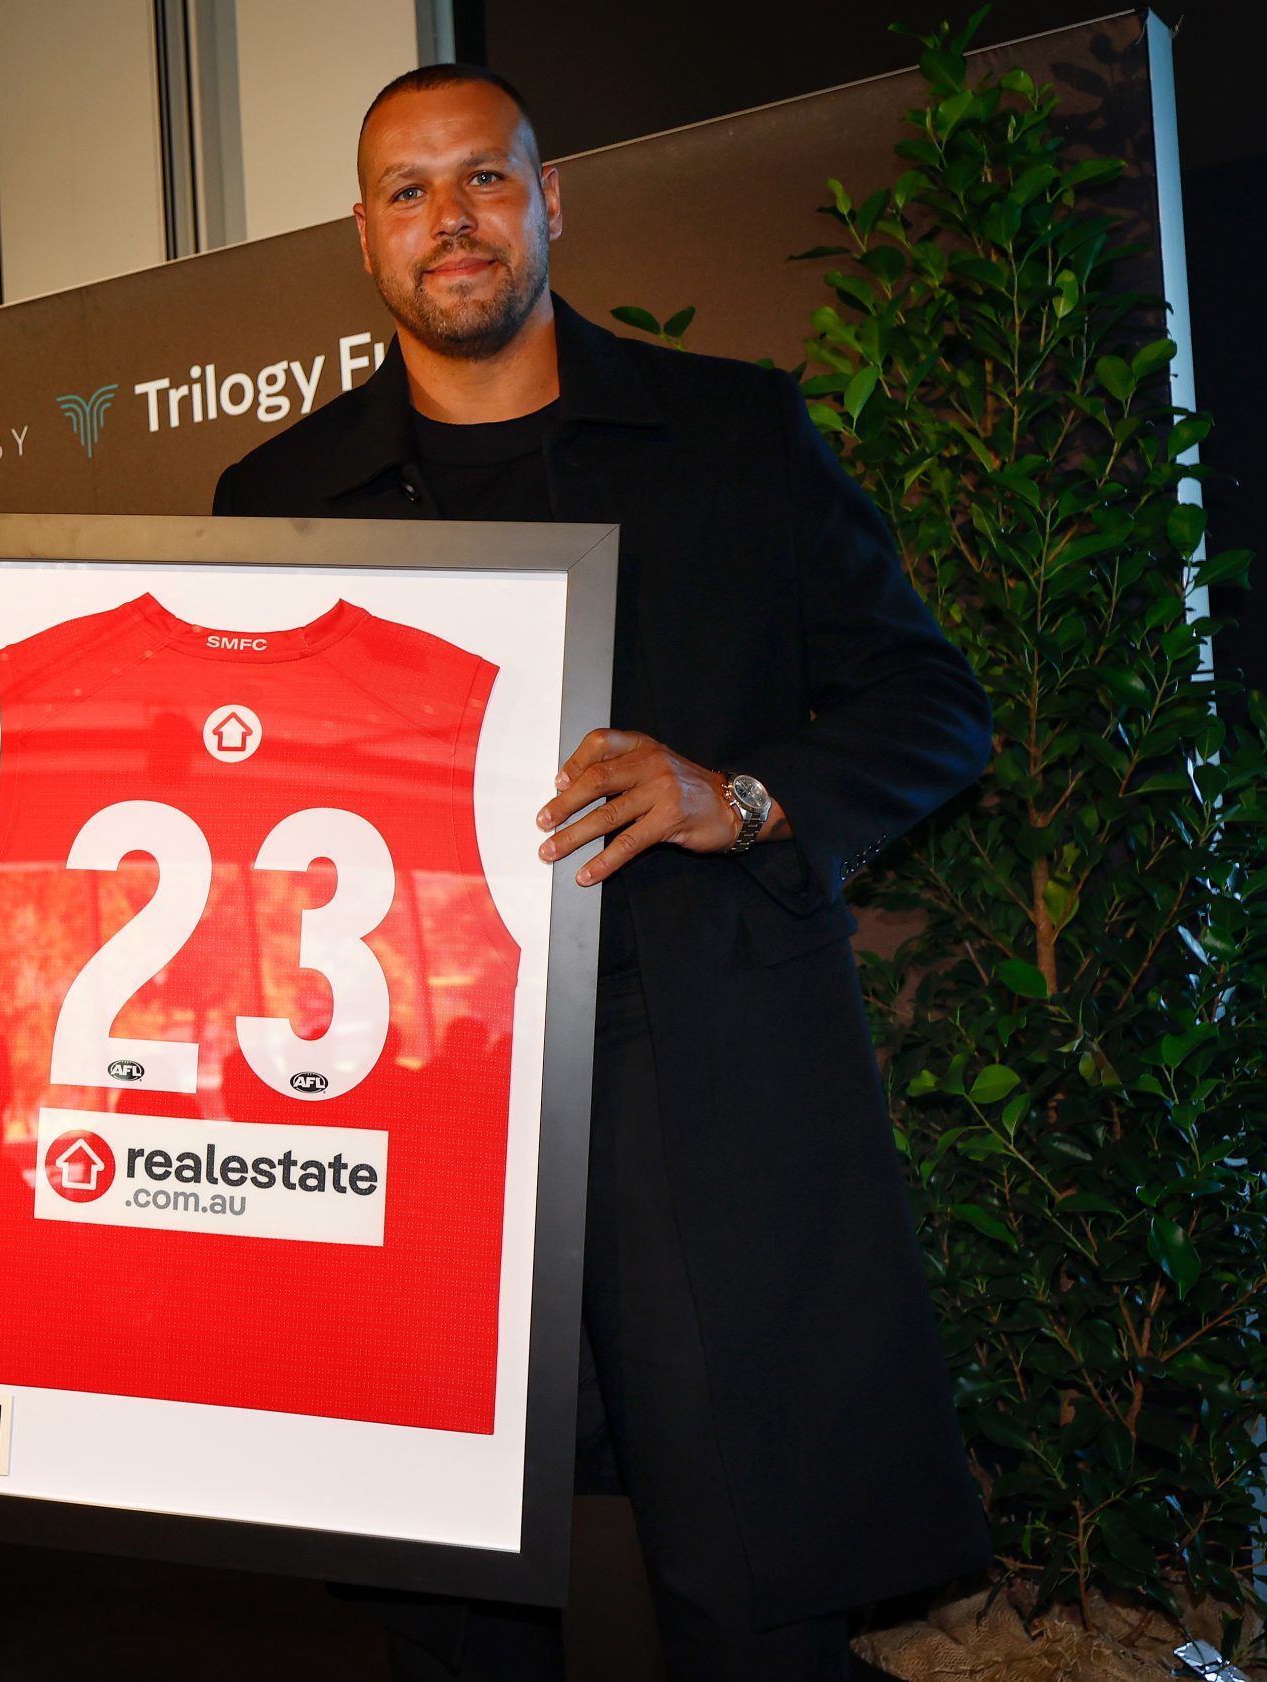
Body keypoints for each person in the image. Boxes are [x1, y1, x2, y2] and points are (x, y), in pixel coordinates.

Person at [213, 66, 993, 1681]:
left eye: (484, 179)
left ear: (550, 201)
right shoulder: (274, 505)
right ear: (364, 238)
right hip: (409, 1085)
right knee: (444, 1569)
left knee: (744, 1562)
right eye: (411, 192)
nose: (454, 221)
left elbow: (933, 707)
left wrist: (746, 794)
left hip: (686, 1062)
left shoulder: (731, 433)